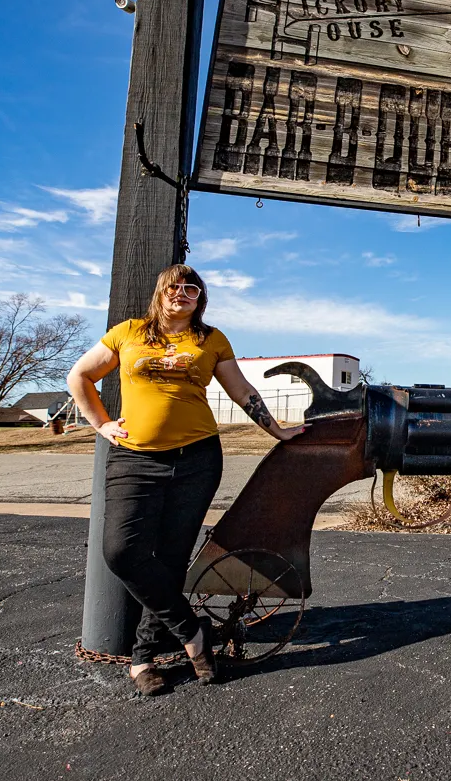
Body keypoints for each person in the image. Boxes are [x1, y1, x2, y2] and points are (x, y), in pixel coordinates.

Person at [66, 264, 306, 695]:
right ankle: (193, 634)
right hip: (135, 459)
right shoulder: (129, 333)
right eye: (174, 286)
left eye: (191, 287)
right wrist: (101, 424)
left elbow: (241, 390)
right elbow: (79, 377)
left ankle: (143, 660)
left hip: (196, 459)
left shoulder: (210, 339)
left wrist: (279, 430)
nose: (182, 292)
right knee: (122, 551)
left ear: (201, 297)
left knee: (173, 558)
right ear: (160, 292)